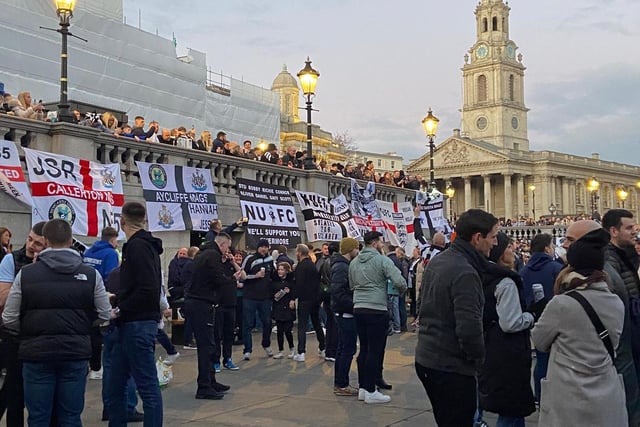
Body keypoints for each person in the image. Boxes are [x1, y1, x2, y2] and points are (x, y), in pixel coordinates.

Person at [2, 219, 111, 426]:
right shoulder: (90, 274)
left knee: (39, 417)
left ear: (47, 241)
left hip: (36, 353)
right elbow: (105, 314)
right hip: (75, 353)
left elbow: (9, 317)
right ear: (71, 241)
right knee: (70, 416)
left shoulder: (26, 274)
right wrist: (84, 326)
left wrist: (26, 332)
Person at [532, 227, 627, 427]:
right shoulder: (616, 302)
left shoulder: (562, 304)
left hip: (568, 395)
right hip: (606, 392)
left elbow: (539, 341)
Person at [415, 209, 498, 426]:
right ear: (477, 238)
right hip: (450, 365)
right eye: (493, 236)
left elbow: (422, 305)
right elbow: (469, 329)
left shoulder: (440, 261)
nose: (495, 243)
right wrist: (479, 361)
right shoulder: (465, 272)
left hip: (428, 357)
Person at [107, 201, 163, 426]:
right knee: (115, 385)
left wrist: (121, 306)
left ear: (122, 221)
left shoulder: (138, 247)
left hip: (136, 323)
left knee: (147, 387)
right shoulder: (143, 246)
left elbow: (147, 289)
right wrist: (118, 299)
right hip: (131, 322)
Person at [477, 232, 538, 427]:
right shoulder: (506, 281)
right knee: (512, 409)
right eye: (510, 248)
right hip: (508, 351)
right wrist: (531, 316)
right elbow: (510, 323)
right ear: (502, 254)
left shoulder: (482, 276)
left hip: (489, 344)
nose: (514, 251)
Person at [349, 231, 406, 404]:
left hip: (359, 307)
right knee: (375, 350)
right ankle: (371, 391)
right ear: (374, 243)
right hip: (377, 308)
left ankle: (364, 388)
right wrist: (400, 293)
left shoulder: (354, 262)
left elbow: (351, 285)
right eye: (381, 242)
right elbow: (400, 281)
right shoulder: (382, 260)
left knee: (364, 349)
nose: (382, 245)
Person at [0, 221, 46, 427]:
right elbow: (2, 297)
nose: (30, 246)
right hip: (15, 334)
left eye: (37, 244)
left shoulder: (52, 265)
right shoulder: (11, 260)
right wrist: (29, 276)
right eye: (29, 239)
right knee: (14, 391)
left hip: (42, 335)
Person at [185, 232, 240, 400]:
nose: (227, 251)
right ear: (222, 245)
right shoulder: (212, 256)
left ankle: (210, 381)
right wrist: (232, 279)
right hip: (202, 304)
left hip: (198, 302)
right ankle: (204, 386)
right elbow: (218, 279)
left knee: (210, 344)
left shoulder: (203, 253)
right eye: (227, 247)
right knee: (207, 346)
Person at [602, 210, 640, 426]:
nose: (634, 231)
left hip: (632, 328)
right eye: (629, 227)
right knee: (629, 392)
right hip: (625, 333)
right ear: (613, 231)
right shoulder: (610, 259)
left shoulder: (625, 254)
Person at [518, 232, 563, 405]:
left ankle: (539, 395)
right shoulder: (555, 268)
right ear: (546, 248)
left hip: (535, 318)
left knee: (542, 358)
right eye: (552, 247)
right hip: (556, 317)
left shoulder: (524, 270)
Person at [83, 226, 120, 380]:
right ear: (112, 239)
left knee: (88, 330)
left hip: (84, 293)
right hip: (101, 295)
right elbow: (111, 276)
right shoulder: (111, 253)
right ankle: (97, 367)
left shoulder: (89, 251)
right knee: (99, 332)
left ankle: (89, 364)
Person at [330, 237, 360, 396]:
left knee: (343, 348)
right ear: (350, 249)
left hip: (343, 312)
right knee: (347, 348)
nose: (358, 251)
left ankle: (340, 383)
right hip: (345, 313)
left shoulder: (342, 265)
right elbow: (338, 292)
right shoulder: (342, 267)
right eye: (356, 248)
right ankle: (342, 384)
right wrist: (354, 303)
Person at [240, 239, 275, 360]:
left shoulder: (271, 260)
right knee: (248, 323)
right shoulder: (250, 258)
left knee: (267, 322)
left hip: (265, 297)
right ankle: (247, 350)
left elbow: (274, 276)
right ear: (258, 247)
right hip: (250, 296)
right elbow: (241, 275)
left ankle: (266, 344)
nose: (264, 249)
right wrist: (255, 276)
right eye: (262, 247)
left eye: (266, 247)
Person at [291, 244, 326, 362]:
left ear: (300, 253)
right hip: (314, 299)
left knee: (302, 325)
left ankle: (301, 351)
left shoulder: (301, 267)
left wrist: (293, 297)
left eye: (296, 251)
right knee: (317, 324)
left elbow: (299, 284)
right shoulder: (312, 265)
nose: (296, 253)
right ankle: (323, 348)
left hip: (304, 299)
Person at [271, 262, 296, 359]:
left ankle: (292, 348)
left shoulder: (291, 282)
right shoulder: (274, 282)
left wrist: (291, 297)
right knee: (279, 331)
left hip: (288, 308)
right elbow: (274, 296)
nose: (280, 271)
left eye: (282, 269)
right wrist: (282, 293)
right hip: (278, 308)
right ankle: (280, 350)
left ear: (286, 270)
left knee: (288, 330)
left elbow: (294, 292)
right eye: (279, 269)